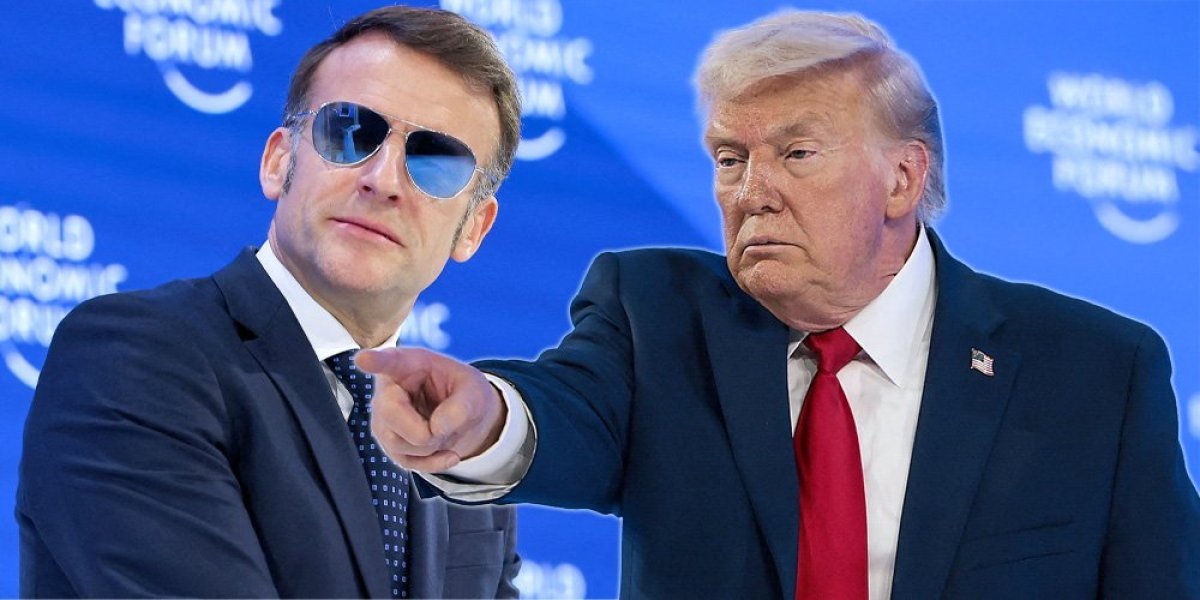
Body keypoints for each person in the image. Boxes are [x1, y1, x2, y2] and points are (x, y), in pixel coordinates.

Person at [356, 9, 1200, 600]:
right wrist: (485, 418)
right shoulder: (657, 315)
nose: (750, 191)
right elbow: (568, 413)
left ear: (902, 178)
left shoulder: (1094, 372)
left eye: (796, 153)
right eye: (730, 158)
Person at [17, 6, 522, 598]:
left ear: (473, 228)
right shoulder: (134, 358)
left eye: (435, 163)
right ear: (279, 162)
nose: (383, 180)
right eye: (350, 132)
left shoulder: (458, 449)